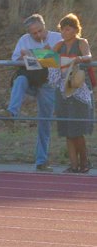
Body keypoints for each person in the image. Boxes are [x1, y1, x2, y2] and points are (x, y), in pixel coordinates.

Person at [6, 14, 62, 171]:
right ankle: (12, 112)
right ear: (29, 33)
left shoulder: (57, 37)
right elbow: (14, 60)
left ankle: (41, 160)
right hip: (31, 80)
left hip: (48, 84)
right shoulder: (24, 39)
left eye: (40, 31)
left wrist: (44, 55)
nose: (38, 35)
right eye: (34, 33)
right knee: (19, 80)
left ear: (45, 27)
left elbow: (60, 60)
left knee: (44, 122)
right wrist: (31, 57)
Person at [48, 13, 92, 173]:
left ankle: (84, 163)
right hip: (62, 90)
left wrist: (79, 58)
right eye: (62, 30)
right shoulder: (59, 45)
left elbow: (89, 56)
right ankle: (73, 165)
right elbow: (48, 58)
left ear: (75, 30)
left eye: (67, 29)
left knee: (77, 130)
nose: (64, 33)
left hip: (78, 91)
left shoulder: (81, 42)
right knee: (67, 130)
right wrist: (42, 55)